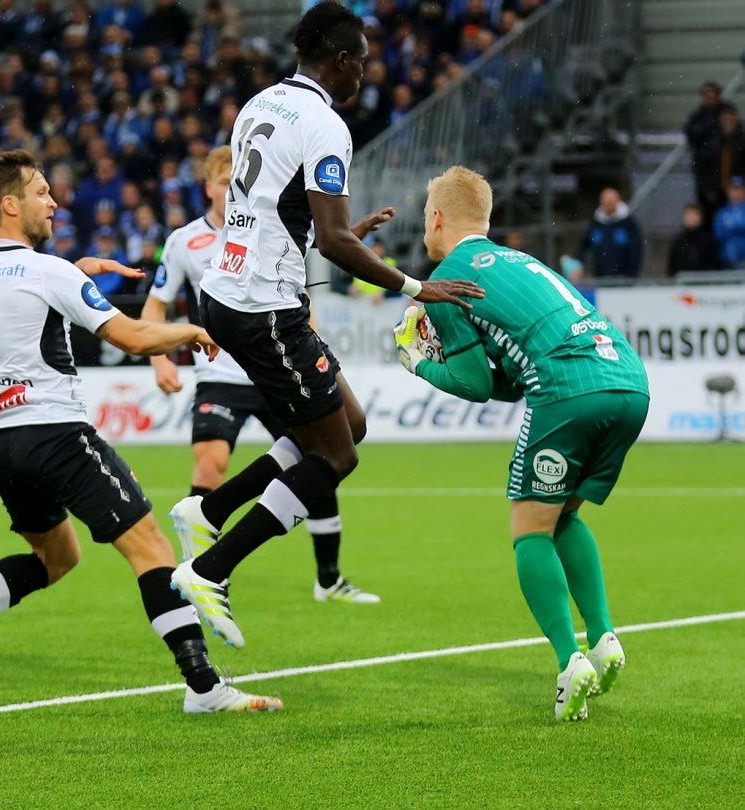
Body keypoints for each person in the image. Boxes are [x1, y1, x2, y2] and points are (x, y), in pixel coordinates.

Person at [0, 149, 282, 713]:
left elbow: (26, 291)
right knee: (153, 549)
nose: (54, 201)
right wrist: (194, 330)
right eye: (41, 192)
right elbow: (133, 338)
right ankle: (205, 688)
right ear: (10, 204)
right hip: (55, 432)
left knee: (57, 558)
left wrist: (77, 272)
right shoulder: (48, 270)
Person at [166, 1, 482, 649]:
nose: (365, 73)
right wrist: (421, 287)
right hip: (265, 307)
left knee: (349, 424)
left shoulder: (261, 103)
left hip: (232, 292)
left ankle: (208, 510)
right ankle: (209, 568)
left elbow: (277, 212)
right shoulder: (325, 123)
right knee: (336, 454)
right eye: (361, 62)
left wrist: (335, 234)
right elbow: (334, 241)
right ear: (339, 60)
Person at [394, 165, 649, 722]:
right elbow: (513, 376)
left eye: (423, 217)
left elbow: (476, 384)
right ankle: (604, 636)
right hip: (628, 380)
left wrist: (418, 362)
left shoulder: (446, 279)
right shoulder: (521, 260)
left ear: (435, 219)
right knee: (561, 517)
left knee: (529, 530)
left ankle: (569, 661)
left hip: (570, 389)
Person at [143, 144, 378, 605]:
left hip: (275, 367)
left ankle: (328, 578)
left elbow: (299, 277)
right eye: (224, 179)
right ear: (209, 187)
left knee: (325, 456)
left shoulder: (268, 229)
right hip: (221, 373)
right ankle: (204, 560)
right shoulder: (185, 241)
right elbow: (156, 303)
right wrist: (159, 358)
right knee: (218, 463)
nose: (234, 185)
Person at [576, 188, 643, 279]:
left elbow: (636, 250)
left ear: (618, 201)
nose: (608, 204)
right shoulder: (596, 225)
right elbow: (583, 247)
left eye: (611, 200)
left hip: (624, 279)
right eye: (606, 200)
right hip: (599, 278)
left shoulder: (629, 224)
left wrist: (632, 274)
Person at [667, 202, 721, 276]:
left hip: (704, 283)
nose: (691, 218)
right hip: (682, 284)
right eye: (689, 214)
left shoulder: (708, 240)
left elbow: (714, 265)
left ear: (701, 217)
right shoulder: (678, 241)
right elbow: (672, 267)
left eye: (695, 214)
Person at [713, 175, 745, 269]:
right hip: (727, 262)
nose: (736, 192)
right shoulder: (722, 212)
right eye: (733, 189)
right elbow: (718, 234)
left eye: (739, 189)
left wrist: (733, 225)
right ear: (728, 192)